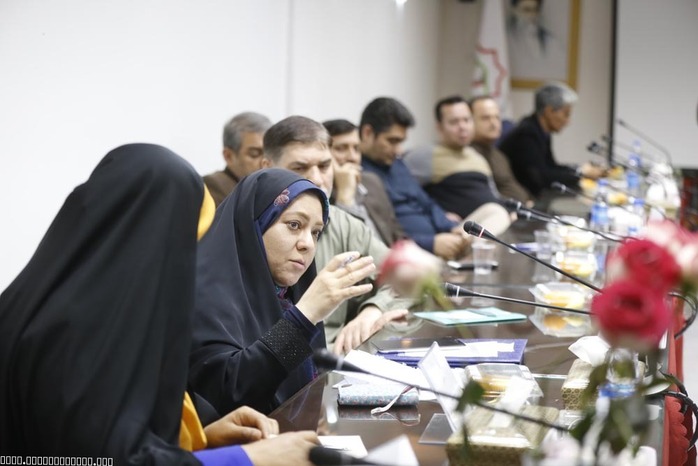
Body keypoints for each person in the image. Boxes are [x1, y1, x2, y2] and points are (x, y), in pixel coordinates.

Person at [0, 144, 319, 465]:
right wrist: (243, 459)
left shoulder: (43, 305)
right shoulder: (86, 334)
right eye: (187, 240)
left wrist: (201, 437)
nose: (192, 256)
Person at [189, 166, 378, 417]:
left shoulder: (285, 294)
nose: (307, 244)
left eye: (316, 232)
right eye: (294, 225)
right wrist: (304, 316)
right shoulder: (204, 293)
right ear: (256, 225)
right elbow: (232, 394)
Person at [262, 116, 408, 354]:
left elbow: (408, 277)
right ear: (267, 168)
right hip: (282, 365)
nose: (317, 179)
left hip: (339, 360)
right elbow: (251, 361)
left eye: (324, 166)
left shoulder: (344, 224)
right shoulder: (249, 227)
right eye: (299, 168)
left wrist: (372, 311)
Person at [359, 97, 469, 260]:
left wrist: (451, 227)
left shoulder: (397, 163)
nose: (399, 150)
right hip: (411, 254)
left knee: (491, 214)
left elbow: (426, 203)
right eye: (392, 141)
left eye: (401, 142)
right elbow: (384, 233)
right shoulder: (361, 176)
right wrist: (431, 244)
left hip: (441, 240)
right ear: (367, 133)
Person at [402, 96, 511, 234]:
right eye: (454, 122)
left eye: (466, 120)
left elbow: (493, 195)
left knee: (503, 212)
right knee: (497, 212)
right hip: (455, 229)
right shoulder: (426, 155)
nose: (462, 127)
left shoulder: (478, 158)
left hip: (489, 224)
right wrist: (439, 215)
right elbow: (401, 192)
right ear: (439, 127)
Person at [498, 81, 605, 197]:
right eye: (566, 114)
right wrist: (581, 173)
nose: (568, 121)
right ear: (549, 111)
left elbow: (551, 167)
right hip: (521, 198)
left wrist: (579, 169)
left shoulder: (541, 130)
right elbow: (541, 178)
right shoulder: (527, 134)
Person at [323, 118, 405, 246]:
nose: (352, 157)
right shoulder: (320, 194)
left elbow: (397, 233)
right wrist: (345, 196)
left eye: (356, 149)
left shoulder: (372, 181)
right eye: (341, 149)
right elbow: (347, 245)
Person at [469, 95, 533, 205]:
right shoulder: (470, 156)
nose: (494, 123)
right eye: (486, 118)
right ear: (470, 121)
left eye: (497, 117)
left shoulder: (498, 154)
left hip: (526, 208)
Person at [204, 111, 272, 206]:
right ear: (228, 156)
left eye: (269, 153)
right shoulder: (212, 187)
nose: (265, 162)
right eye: (254, 154)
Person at [506, 0, 566, 82]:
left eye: (535, 10)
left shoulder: (550, 41)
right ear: (514, 10)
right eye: (526, 10)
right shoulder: (506, 38)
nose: (532, 15)